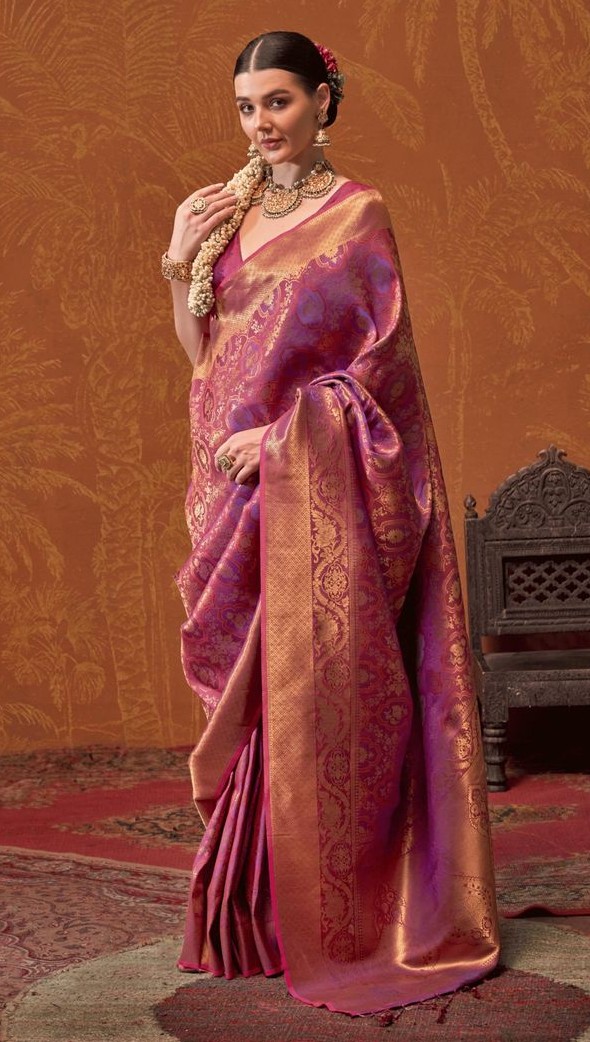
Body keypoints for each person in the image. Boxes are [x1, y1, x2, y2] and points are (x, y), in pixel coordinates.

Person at [164, 29, 500, 1018]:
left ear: (323, 100)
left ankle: (338, 912)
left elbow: (380, 377)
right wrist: (177, 257)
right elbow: (204, 354)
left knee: (308, 695)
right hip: (228, 490)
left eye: (277, 102)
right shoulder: (224, 214)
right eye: (245, 107)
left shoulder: (358, 216)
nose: (259, 124)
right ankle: (259, 916)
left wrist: (281, 439)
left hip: (311, 488)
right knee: (249, 707)